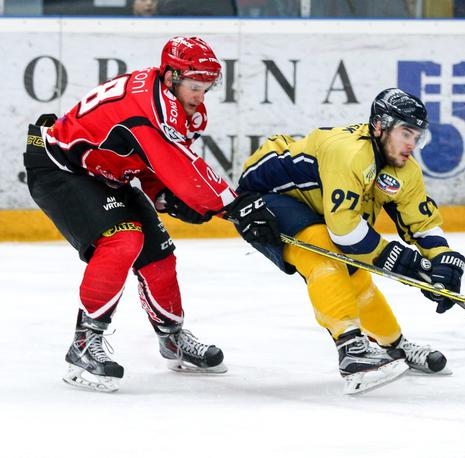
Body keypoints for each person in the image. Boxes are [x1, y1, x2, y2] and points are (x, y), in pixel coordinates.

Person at [23, 36, 279, 392]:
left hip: (104, 171)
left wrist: (163, 196)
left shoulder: (172, 101)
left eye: (206, 88)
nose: (200, 96)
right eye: (194, 86)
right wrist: (234, 207)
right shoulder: (148, 107)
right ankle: (84, 343)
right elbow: (183, 169)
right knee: (124, 239)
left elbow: (149, 161)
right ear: (172, 75)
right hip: (61, 169)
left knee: (158, 253)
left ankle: (171, 338)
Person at [233, 88, 465, 394]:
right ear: (380, 126)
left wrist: (441, 260)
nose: (412, 144)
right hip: (264, 199)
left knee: (355, 273)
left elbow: (420, 221)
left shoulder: (404, 169)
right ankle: (351, 350)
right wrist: (409, 265)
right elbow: (345, 232)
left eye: (417, 136)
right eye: (406, 133)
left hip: (314, 205)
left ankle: (394, 345)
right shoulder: (350, 153)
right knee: (325, 253)